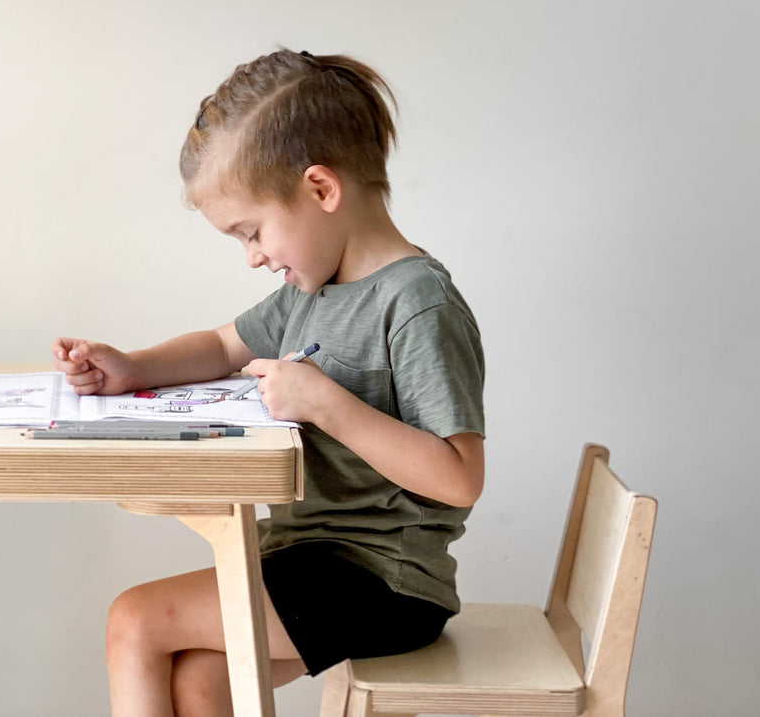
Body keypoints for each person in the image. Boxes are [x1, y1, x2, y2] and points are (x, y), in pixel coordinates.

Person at [51, 49, 486, 717]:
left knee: (133, 620)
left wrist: (326, 405)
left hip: (382, 581)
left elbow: (458, 478)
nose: (253, 256)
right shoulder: (315, 288)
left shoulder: (415, 303)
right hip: (312, 559)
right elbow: (222, 344)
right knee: (200, 680)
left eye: (252, 232)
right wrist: (133, 367)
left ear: (320, 189)